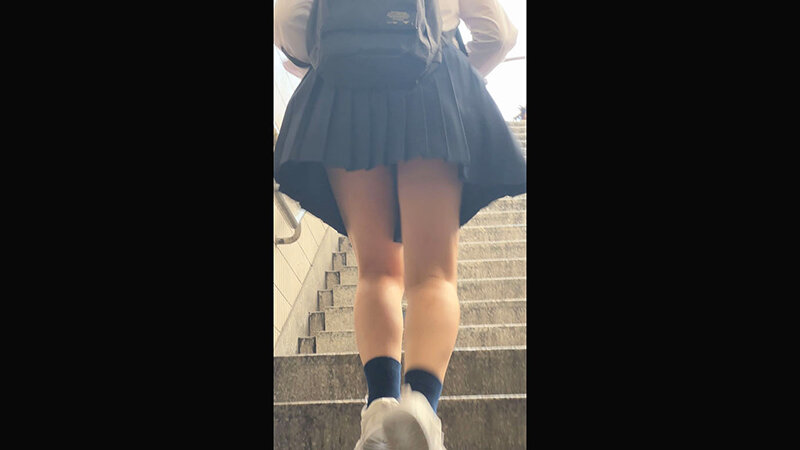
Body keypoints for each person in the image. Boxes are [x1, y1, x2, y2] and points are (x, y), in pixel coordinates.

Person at [274, 1, 526, 448]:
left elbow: (286, 19)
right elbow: (498, 32)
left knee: (376, 272)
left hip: (344, 92)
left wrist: (333, 52)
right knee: (432, 276)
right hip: (432, 84)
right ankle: (421, 406)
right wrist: (459, 68)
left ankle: (379, 410)